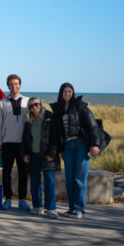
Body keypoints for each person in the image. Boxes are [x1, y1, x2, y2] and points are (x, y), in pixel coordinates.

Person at [50, 82, 100, 219]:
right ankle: (72, 208)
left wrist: (95, 144)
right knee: (70, 179)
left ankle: (79, 209)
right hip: (68, 146)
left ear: (73, 93)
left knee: (79, 178)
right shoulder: (58, 109)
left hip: (81, 145)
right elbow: (57, 132)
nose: (67, 94)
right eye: (65, 91)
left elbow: (92, 125)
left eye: (69, 91)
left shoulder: (80, 106)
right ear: (61, 93)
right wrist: (60, 149)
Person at [0, 74, 30, 211]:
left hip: (23, 145)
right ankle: (8, 199)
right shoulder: (1, 103)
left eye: (16, 84)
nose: (14, 86)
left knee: (23, 173)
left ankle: (22, 200)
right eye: (11, 84)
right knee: (6, 172)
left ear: (20, 85)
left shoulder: (27, 101)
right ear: (7, 86)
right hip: (7, 143)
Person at [21, 98, 58, 219]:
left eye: (36, 104)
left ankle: (51, 208)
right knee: (34, 182)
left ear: (40, 105)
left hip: (47, 155)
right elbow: (25, 139)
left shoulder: (49, 117)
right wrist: (24, 154)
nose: (34, 107)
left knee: (49, 182)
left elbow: (55, 137)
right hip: (33, 155)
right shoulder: (29, 120)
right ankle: (37, 206)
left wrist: (52, 153)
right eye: (31, 106)